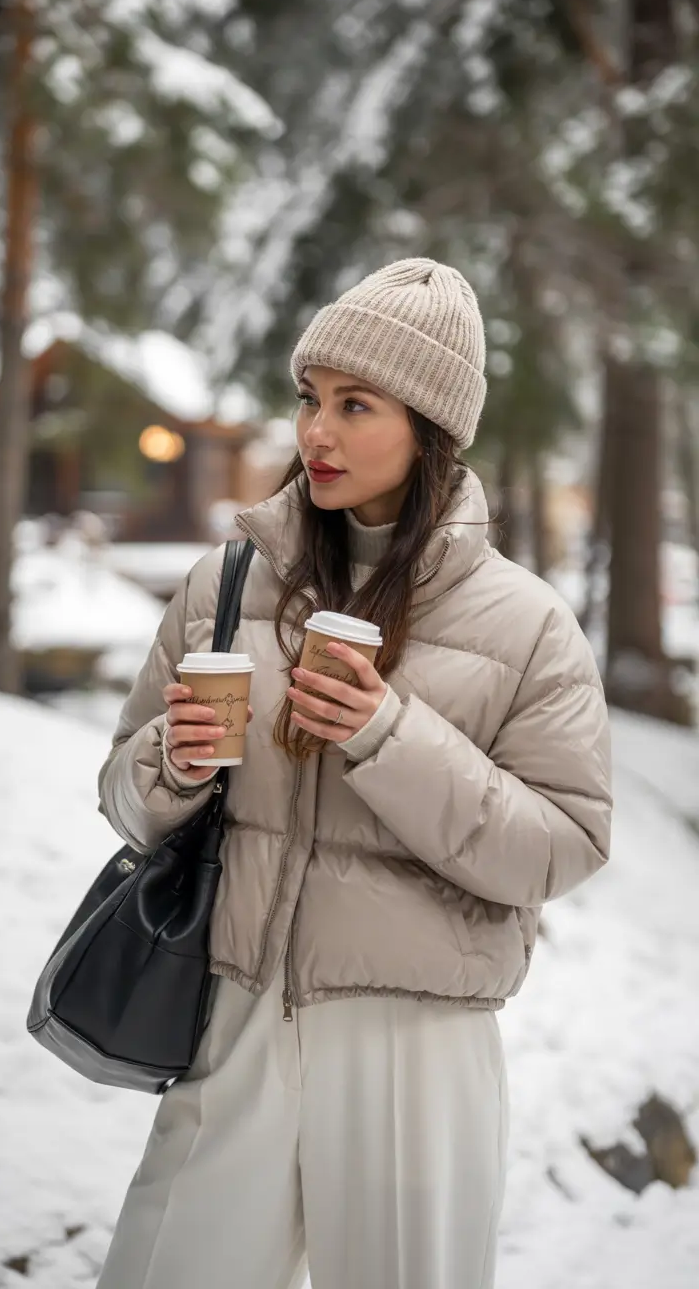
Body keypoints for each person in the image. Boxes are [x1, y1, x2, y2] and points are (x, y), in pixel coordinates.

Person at [96, 258, 612, 1289]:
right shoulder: (226, 580)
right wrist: (176, 761)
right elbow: (122, 791)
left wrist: (385, 736)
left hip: (412, 1041)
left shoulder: (524, 624)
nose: (315, 432)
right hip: (234, 1016)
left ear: (428, 428)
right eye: (308, 398)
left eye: (354, 404)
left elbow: (561, 849)